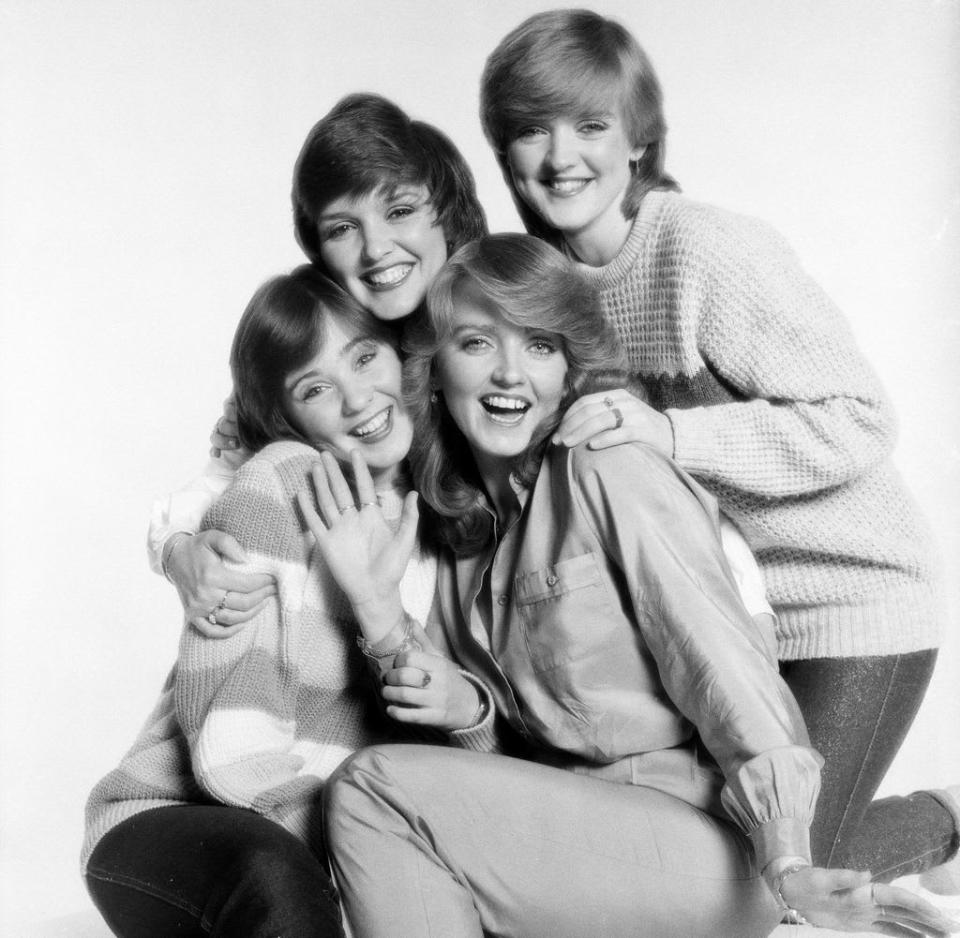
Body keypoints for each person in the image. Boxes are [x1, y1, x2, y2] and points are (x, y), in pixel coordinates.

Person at [301, 234, 955, 937]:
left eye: (541, 346)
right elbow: (495, 779)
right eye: (477, 344)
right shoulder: (463, 545)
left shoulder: (604, 466)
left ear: (569, 370)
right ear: (433, 370)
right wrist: (378, 609)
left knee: (375, 792)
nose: (510, 375)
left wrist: (789, 856)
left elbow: (718, 657)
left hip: (701, 840)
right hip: (592, 848)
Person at [478, 8, 957, 886]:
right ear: (504, 153)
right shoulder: (542, 287)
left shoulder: (706, 251)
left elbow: (861, 415)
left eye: (590, 125)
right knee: (705, 862)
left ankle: (950, 823)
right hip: (733, 624)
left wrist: (672, 432)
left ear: (638, 142)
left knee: (797, 866)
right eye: (530, 131)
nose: (560, 156)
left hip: (854, 596)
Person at [82, 266, 490, 937]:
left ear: (404, 358)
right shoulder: (279, 484)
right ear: (287, 415)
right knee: (275, 872)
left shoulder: (456, 529)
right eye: (315, 387)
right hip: (176, 821)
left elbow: (470, 769)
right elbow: (229, 750)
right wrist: (373, 851)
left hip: (335, 844)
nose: (358, 399)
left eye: (365, 356)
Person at [148, 92, 487, 636]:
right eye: (342, 228)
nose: (375, 248)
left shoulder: (508, 327)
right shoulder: (328, 368)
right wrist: (180, 553)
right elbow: (204, 496)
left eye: (399, 211)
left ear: (448, 213)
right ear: (319, 251)